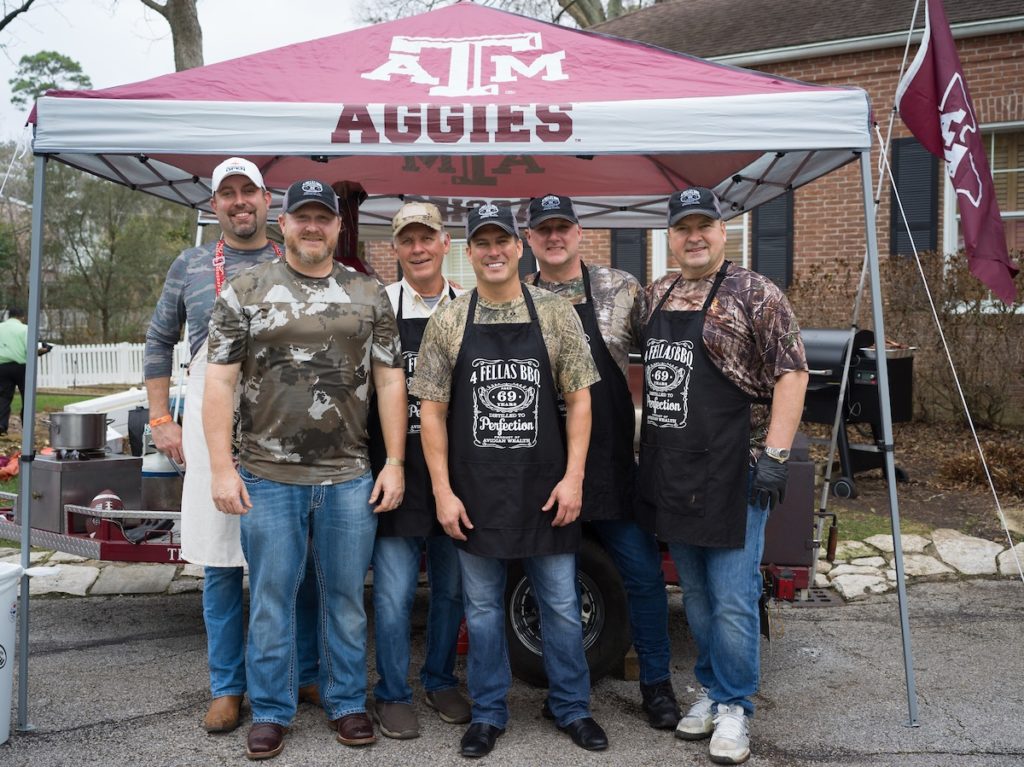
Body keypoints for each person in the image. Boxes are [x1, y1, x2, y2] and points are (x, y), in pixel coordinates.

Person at [204, 178, 407, 761]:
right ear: (284, 223)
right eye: (303, 217)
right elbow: (219, 381)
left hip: (348, 476)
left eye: (323, 217)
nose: (313, 226)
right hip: (267, 476)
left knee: (345, 598)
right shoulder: (246, 291)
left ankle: (346, 702)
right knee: (271, 599)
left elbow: (391, 380)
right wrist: (221, 468)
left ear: (338, 226)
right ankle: (271, 710)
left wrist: (394, 462)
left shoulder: (368, 293)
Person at [413, 203, 608, 758]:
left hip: (546, 491)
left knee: (561, 606)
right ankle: (489, 712)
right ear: (469, 251)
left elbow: (580, 400)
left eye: (502, 241)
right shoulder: (449, 321)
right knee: (481, 611)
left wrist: (574, 478)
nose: (493, 251)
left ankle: (572, 707)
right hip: (475, 495)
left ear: (519, 247)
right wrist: (443, 492)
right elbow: (431, 412)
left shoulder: (554, 312)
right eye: (483, 242)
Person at [144, 157, 321, 734]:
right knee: (221, 558)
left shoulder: (293, 258)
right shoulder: (191, 264)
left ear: (269, 201)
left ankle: (306, 670)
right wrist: (160, 418)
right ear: (214, 204)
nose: (239, 201)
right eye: (228, 193)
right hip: (210, 418)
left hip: (285, 418)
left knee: (297, 556)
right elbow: (158, 340)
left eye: (250, 191)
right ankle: (227, 686)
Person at [637, 187, 808, 765]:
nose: (694, 237)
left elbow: (792, 373)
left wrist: (775, 456)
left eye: (704, 226)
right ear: (670, 236)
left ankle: (735, 706)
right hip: (672, 466)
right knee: (696, 593)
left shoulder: (756, 293)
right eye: (683, 227)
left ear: (722, 230)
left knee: (733, 595)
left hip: (735, 468)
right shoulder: (657, 294)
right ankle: (711, 691)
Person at [523, 194, 679, 729]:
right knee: (556, 592)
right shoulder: (517, 299)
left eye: (562, 227)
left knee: (644, 580)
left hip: (612, 467)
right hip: (545, 472)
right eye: (543, 230)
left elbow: (670, 352)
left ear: (579, 232)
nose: (554, 237)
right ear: (529, 239)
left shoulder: (621, 288)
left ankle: (657, 685)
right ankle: (566, 695)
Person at [367, 201, 470, 739]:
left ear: (445, 243)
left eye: (426, 237)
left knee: (451, 591)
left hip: (456, 477)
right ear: (395, 248)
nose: (418, 248)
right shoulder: (379, 305)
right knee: (393, 595)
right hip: (397, 472)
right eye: (407, 240)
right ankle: (391, 692)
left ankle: (440, 679)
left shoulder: (470, 306)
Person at [0, 306, 38, 436]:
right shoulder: (25, 329)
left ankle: (1, 425)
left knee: (3, 397)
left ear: (8, 316)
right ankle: (27, 427)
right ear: (22, 317)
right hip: (21, 366)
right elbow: (30, 348)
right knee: (27, 396)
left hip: (2, 366)